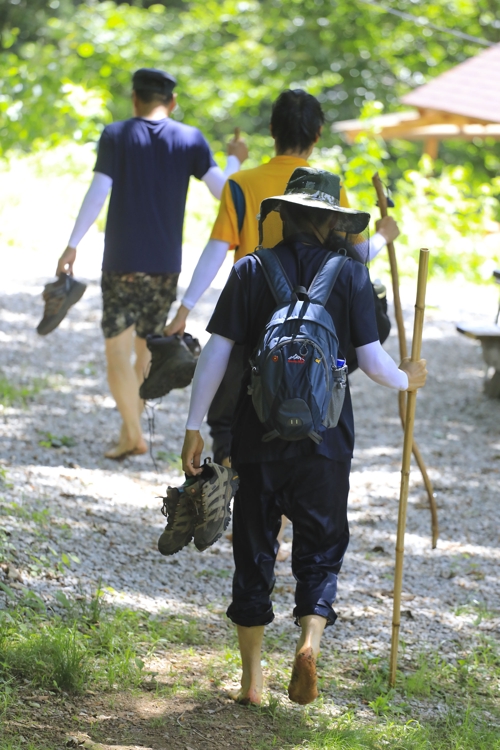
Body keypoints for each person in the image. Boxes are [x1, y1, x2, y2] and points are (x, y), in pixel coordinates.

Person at [180, 167, 427, 706]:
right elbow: (372, 361)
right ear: (333, 220)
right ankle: (309, 642)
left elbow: (217, 355)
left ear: (283, 215)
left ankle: (252, 681)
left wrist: (194, 426)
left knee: (254, 549)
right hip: (326, 438)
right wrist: (410, 377)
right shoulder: (351, 274)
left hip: (255, 436)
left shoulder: (250, 270)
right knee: (321, 547)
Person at [165, 89, 399, 468]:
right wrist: (384, 236)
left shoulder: (241, 184)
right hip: (315, 330)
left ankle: (237, 493)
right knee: (306, 403)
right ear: (318, 134)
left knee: (232, 418)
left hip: (252, 320)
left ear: (272, 130)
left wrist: (184, 308)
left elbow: (215, 251)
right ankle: (293, 498)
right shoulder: (328, 188)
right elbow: (353, 259)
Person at [54, 68, 248, 459]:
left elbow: (99, 190)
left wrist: (73, 244)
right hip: (164, 265)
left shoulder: (117, 135)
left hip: (122, 262)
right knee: (146, 351)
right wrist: (233, 158)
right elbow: (223, 191)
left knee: (116, 351)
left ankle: (132, 433)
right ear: (172, 102)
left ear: (134, 98)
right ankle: (133, 430)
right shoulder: (190, 138)